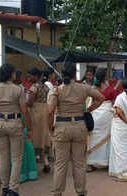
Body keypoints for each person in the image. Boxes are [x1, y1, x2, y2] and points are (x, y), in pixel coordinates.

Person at [48, 62, 104, 196]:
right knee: (79, 164)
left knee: (60, 165)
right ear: (74, 74)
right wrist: (88, 110)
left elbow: (50, 111)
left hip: (62, 128)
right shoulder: (83, 88)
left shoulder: (56, 90)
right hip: (79, 126)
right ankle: (81, 192)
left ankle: (57, 193)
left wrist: (50, 129)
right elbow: (101, 98)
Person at [0, 63, 33, 196]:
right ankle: (13, 189)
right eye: (14, 73)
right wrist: (29, 128)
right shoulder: (18, 89)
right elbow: (25, 111)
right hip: (15, 123)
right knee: (16, 158)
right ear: (11, 74)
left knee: (3, 157)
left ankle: (4, 188)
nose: (15, 75)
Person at [87, 68, 118, 171]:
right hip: (107, 115)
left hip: (95, 113)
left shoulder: (93, 89)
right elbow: (115, 104)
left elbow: (90, 102)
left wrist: (88, 111)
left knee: (94, 136)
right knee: (107, 137)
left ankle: (91, 162)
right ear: (105, 77)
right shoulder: (111, 89)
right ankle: (107, 161)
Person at [26, 67, 51, 172]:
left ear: (36, 76)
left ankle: (35, 161)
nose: (28, 77)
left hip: (35, 112)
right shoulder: (45, 86)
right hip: (44, 110)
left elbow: (30, 103)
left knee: (34, 136)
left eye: (30, 75)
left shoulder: (33, 88)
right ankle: (45, 161)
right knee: (44, 135)